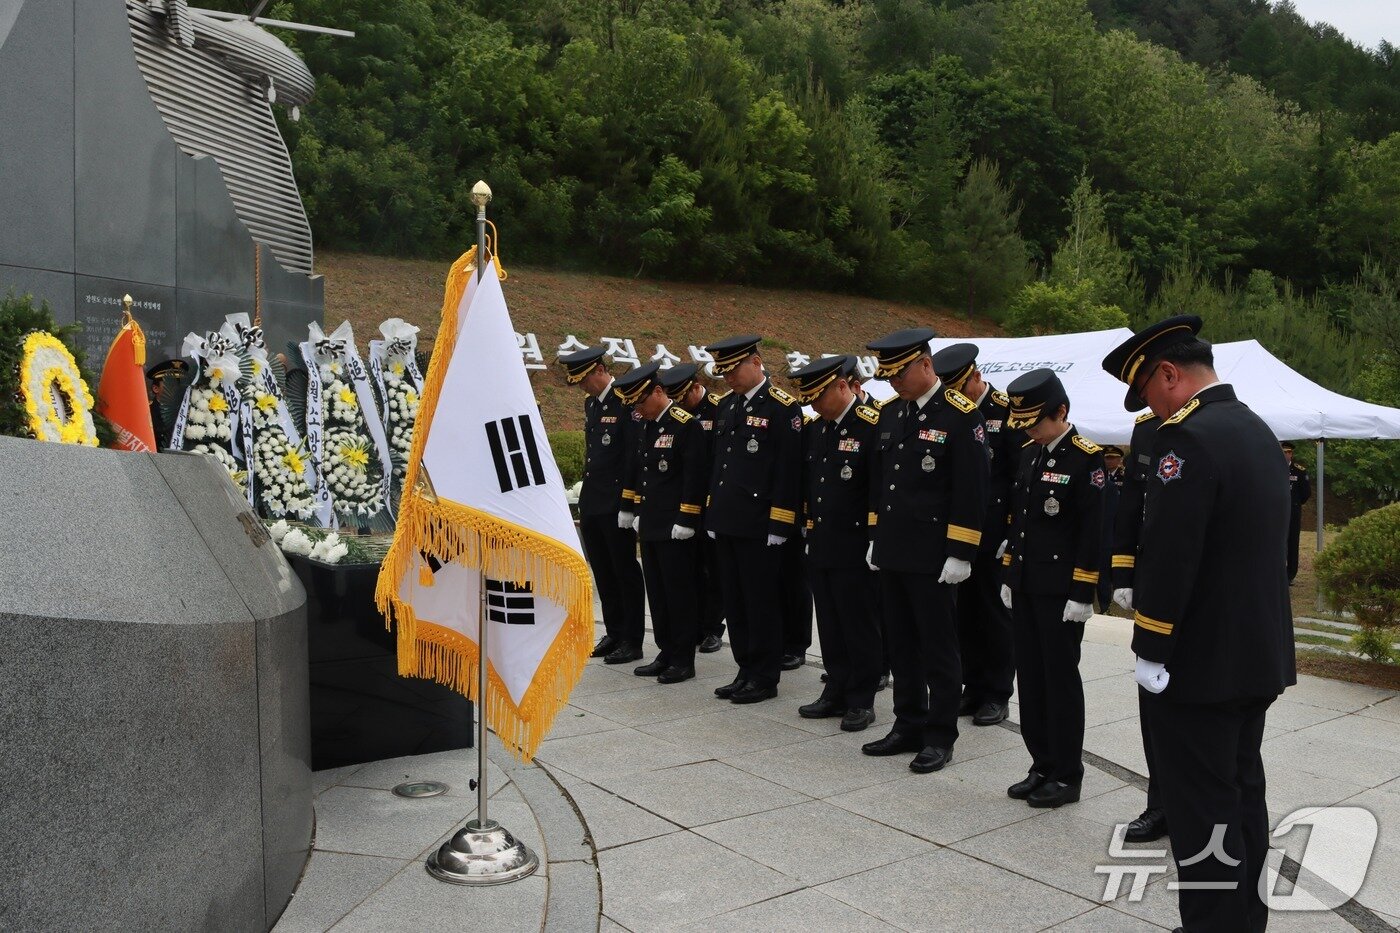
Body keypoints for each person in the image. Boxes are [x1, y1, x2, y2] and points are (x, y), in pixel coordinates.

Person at [1103, 315, 1296, 933]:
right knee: (1242, 796)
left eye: (1151, 394)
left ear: (1169, 374)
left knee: (1201, 811)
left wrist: (1152, 644)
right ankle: (1244, 919)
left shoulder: (1189, 438)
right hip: (1254, 654)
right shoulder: (1257, 430)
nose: (1153, 410)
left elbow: (1172, 553)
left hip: (1200, 663)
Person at [862, 328, 988, 773]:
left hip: (935, 555)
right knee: (901, 643)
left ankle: (940, 734)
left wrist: (962, 551)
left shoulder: (959, 415)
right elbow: (881, 483)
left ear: (925, 365)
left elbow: (971, 489)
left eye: (900, 373)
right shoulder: (890, 414)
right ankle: (907, 723)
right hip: (895, 549)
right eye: (888, 376)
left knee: (938, 647)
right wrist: (876, 536)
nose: (893, 383)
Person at [998, 369, 1104, 809]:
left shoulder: (1087, 458)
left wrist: (1083, 592)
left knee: (1060, 682)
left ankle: (1066, 773)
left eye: (1035, 422)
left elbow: (1092, 531)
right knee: (1033, 679)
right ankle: (1040, 763)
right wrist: (1009, 574)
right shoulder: (1029, 453)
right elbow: (1017, 522)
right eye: (1022, 423)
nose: (1029, 431)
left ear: (1061, 412)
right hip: (1026, 583)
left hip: (1061, 593)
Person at [703, 334, 803, 704]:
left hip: (760, 525)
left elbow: (787, 471)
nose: (728, 377)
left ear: (756, 363)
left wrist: (780, 524)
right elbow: (720, 464)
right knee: (736, 600)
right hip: (728, 519)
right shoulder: (727, 406)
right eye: (723, 371)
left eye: (734, 369)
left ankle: (765, 675)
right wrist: (713, 510)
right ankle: (745, 668)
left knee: (761, 602)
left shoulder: (782, 407)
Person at [788, 355, 883, 731]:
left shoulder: (872, 426)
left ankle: (862, 698)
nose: (812, 405)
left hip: (857, 545)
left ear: (842, 387)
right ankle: (836, 688)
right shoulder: (819, 429)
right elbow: (814, 487)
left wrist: (876, 540)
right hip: (824, 541)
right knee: (829, 622)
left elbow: (878, 491)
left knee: (859, 624)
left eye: (818, 396)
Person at [933, 343, 1019, 728]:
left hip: (996, 531)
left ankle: (997, 692)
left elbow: (1022, 478)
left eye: (957, 387)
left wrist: (1014, 532)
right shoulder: (950, 412)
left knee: (993, 613)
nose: (953, 395)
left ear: (975, 378)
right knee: (961, 612)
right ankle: (972, 686)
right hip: (959, 531)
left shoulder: (1008, 412)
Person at [613, 363, 708, 684]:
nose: (637, 410)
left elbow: (695, 477)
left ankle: (683, 658)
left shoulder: (685, 425)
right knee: (658, 593)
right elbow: (643, 473)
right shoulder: (648, 425)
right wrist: (635, 508)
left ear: (657, 391)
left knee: (679, 594)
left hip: (676, 527)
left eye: (640, 402)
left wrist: (687, 517)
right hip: (651, 523)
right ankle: (666, 651)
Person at [558, 347, 645, 664]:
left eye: (583, 380)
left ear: (598, 371)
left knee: (624, 571)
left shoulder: (627, 402)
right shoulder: (592, 403)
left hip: (616, 503)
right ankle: (615, 631)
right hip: (593, 501)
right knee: (604, 572)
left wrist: (629, 503)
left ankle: (632, 639)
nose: (581, 387)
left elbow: (633, 457)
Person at [1111, 414, 1170, 843]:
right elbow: (1131, 501)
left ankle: (1197, 805)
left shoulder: (1218, 428)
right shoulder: (1148, 429)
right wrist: (1123, 571)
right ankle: (1160, 805)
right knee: (1155, 708)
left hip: (1204, 594)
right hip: (1154, 583)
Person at [661, 362, 727, 653]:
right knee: (692, 568)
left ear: (696, 387)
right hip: (686, 504)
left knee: (714, 570)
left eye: (683, 397)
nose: (680, 403)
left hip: (712, 502)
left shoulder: (718, 408)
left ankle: (713, 628)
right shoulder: (678, 416)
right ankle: (697, 624)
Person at [1095, 445, 1123, 613]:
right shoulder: (1097, 480)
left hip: (1109, 533)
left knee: (1104, 575)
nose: (1109, 461)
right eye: (1107, 457)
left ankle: (1105, 606)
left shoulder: (1117, 483)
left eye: (1113, 458)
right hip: (1097, 532)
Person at [1281, 441, 1311, 584]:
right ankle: (1278, 572)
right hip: (1278, 512)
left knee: (1293, 542)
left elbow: (1306, 493)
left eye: (1289, 452)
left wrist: (1296, 504)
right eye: (1284, 452)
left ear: (1292, 454)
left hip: (1293, 511)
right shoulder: (1274, 468)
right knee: (1279, 542)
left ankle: (1290, 574)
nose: (1286, 455)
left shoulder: (1299, 470)